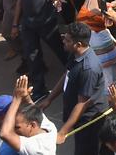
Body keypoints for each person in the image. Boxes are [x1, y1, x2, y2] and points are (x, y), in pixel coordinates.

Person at [38, 22, 110, 151]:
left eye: (67, 40)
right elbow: (67, 75)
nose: (63, 41)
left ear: (78, 44)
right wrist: (49, 99)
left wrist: (63, 132)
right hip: (77, 114)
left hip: (88, 119)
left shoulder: (89, 69)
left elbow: (82, 104)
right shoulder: (75, 54)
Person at [0, 75, 59, 154]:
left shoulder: (36, 147)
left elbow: (5, 134)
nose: (13, 130)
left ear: (32, 125)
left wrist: (17, 99)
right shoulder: (48, 128)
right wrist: (26, 96)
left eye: (17, 127)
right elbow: (33, 109)